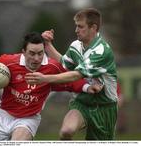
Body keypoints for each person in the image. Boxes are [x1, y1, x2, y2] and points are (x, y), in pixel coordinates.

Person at [0, 32, 102, 141]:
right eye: (32, 53)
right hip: (3, 115)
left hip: (28, 119)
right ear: (23, 52)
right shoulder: (10, 62)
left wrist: (87, 87)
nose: (37, 58)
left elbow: (69, 81)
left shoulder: (52, 67)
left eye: (40, 53)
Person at [25, 8, 118, 140]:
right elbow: (64, 63)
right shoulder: (76, 45)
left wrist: (45, 78)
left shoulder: (101, 51)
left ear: (93, 28)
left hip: (104, 108)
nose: (76, 30)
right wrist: (47, 44)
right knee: (66, 131)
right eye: (76, 26)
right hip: (82, 102)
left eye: (80, 26)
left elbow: (76, 75)